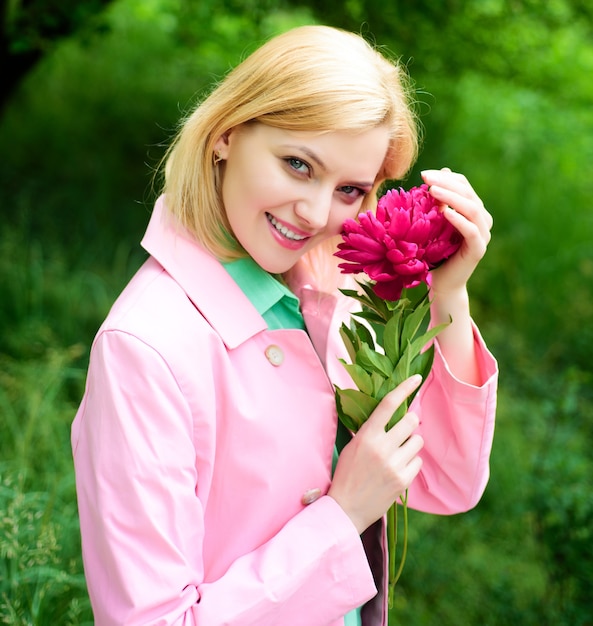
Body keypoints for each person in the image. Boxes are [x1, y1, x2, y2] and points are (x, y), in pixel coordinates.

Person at [71, 24, 497, 626]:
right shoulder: (146, 348)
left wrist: (448, 295)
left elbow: (447, 481)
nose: (318, 213)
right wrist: (343, 515)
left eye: (350, 189)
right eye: (298, 165)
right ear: (227, 135)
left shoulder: (327, 293)